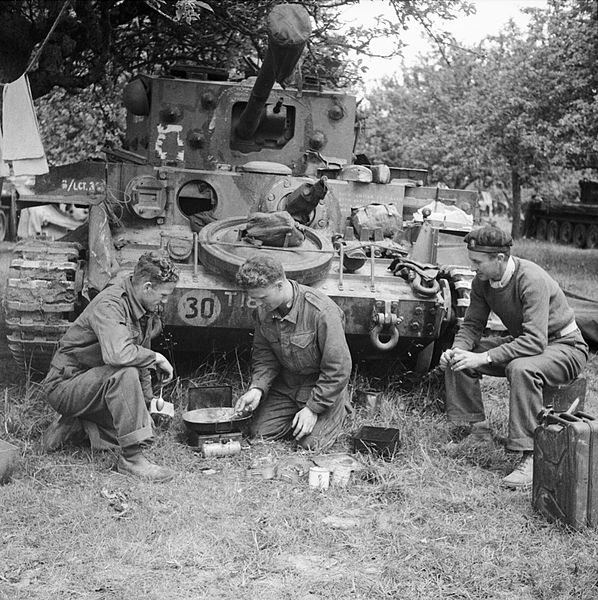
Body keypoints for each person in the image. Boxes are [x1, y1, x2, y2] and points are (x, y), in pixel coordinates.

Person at [439, 225, 588, 489]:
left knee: (521, 368)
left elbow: (534, 341)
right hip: (530, 343)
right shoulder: (482, 282)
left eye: (477, 262)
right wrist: (458, 350)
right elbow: (472, 325)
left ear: (499, 258)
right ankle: (478, 430)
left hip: (566, 347)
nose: (473, 268)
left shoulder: (531, 279)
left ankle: (531, 455)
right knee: (462, 357)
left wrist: (484, 357)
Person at [41, 251, 179, 482]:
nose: (165, 301)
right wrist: (157, 357)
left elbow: (140, 363)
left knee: (139, 424)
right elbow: (119, 355)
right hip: (65, 386)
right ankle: (131, 460)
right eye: (163, 295)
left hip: (92, 383)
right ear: (146, 287)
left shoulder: (142, 309)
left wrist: (147, 404)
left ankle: (81, 423)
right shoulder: (110, 303)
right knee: (123, 373)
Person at [234, 254, 352, 451]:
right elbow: (264, 356)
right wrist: (258, 388)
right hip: (288, 386)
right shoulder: (264, 310)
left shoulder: (322, 312)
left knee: (309, 444)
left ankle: (337, 411)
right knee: (258, 433)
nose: (257, 304)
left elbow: (338, 368)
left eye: (262, 298)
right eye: (253, 299)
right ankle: (301, 416)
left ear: (280, 285)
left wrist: (313, 408)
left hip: (321, 386)